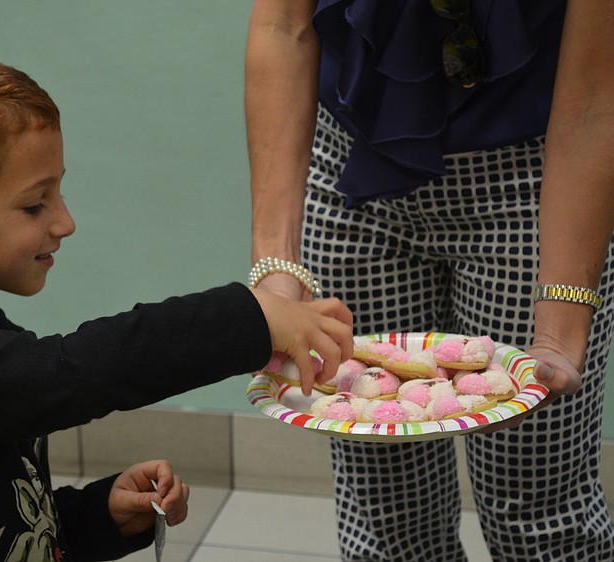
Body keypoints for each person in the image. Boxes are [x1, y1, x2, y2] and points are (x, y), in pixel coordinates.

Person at [0, 47, 354, 562]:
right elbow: (76, 371)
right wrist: (249, 316)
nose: (64, 222)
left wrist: (99, 514)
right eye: (35, 203)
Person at [245, 1, 614, 561]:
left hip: (530, 187)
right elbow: (283, 26)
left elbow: (595, 103)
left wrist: (561, 330)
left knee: (540, 510)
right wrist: (275, 270)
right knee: (387, 511)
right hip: (353, 177)